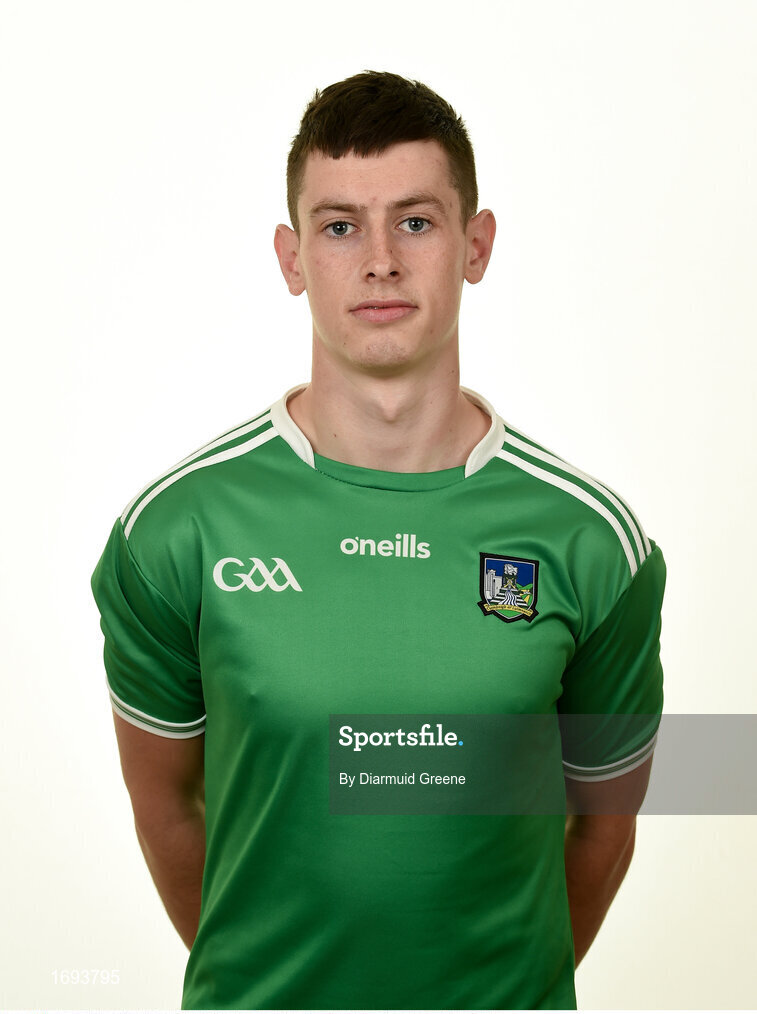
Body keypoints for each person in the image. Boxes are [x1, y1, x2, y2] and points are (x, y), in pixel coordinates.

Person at [91, 70, 665, 1010]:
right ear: (292, 257)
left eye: (416, 221)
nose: (379, 261)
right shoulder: (177, 531)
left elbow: (604, 825)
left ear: (474, 245)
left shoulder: (592, 542)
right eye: (339, 225)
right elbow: (167, 809)